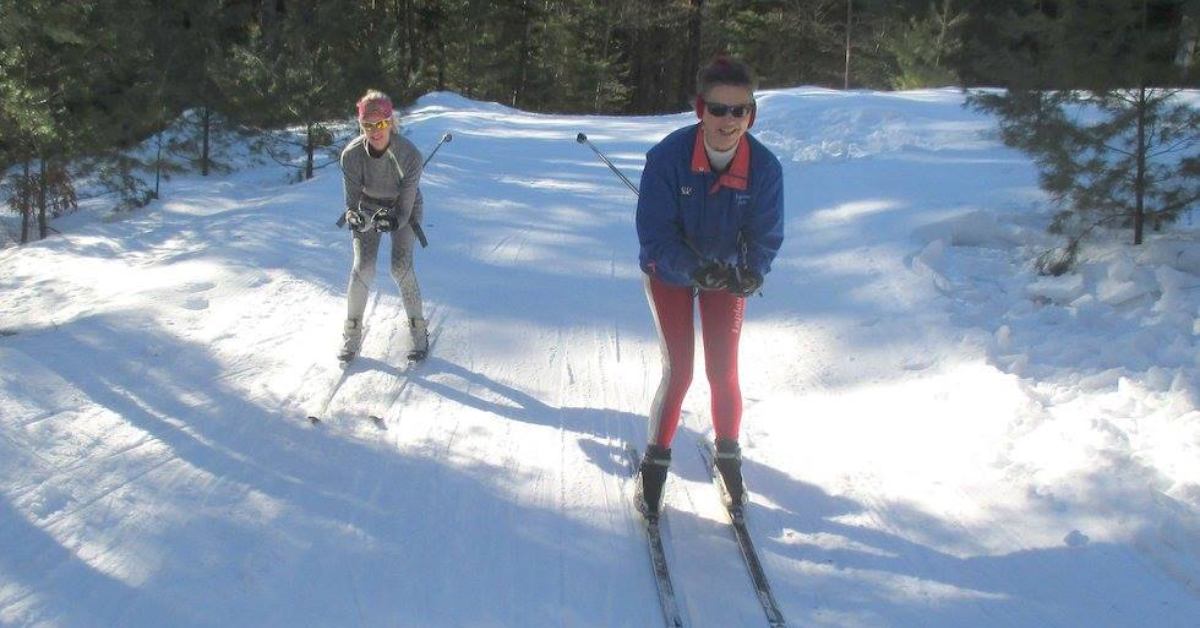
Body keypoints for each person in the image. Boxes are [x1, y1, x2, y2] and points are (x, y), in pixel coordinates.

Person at [634, 57, 784, 516]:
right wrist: (692, 269)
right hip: (670, 274)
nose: (728, 121)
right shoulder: (667, 158)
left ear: (751, 114)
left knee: (724, 372)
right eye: (718, 109)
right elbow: (654, 236)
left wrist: (752, 270)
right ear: (701, 109)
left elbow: (766, 234)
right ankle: (655, 464)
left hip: (726, 275)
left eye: (740, 111)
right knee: (680, 371)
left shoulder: (765, 168)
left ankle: (728, 456)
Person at [338, 90, 429, 364]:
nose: (374, 131)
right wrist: (355, 216)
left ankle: (419, 332)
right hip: (368, 206)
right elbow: (351, 203)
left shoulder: (409, 155)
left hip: (404, 208)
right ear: (360, 125)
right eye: (367, 125)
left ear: (390, 122)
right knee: (363, 266)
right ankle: (351, 336)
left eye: (379, 124)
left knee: (400, 267)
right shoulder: (351, 156)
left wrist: (393, 220)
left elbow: (405, 207)